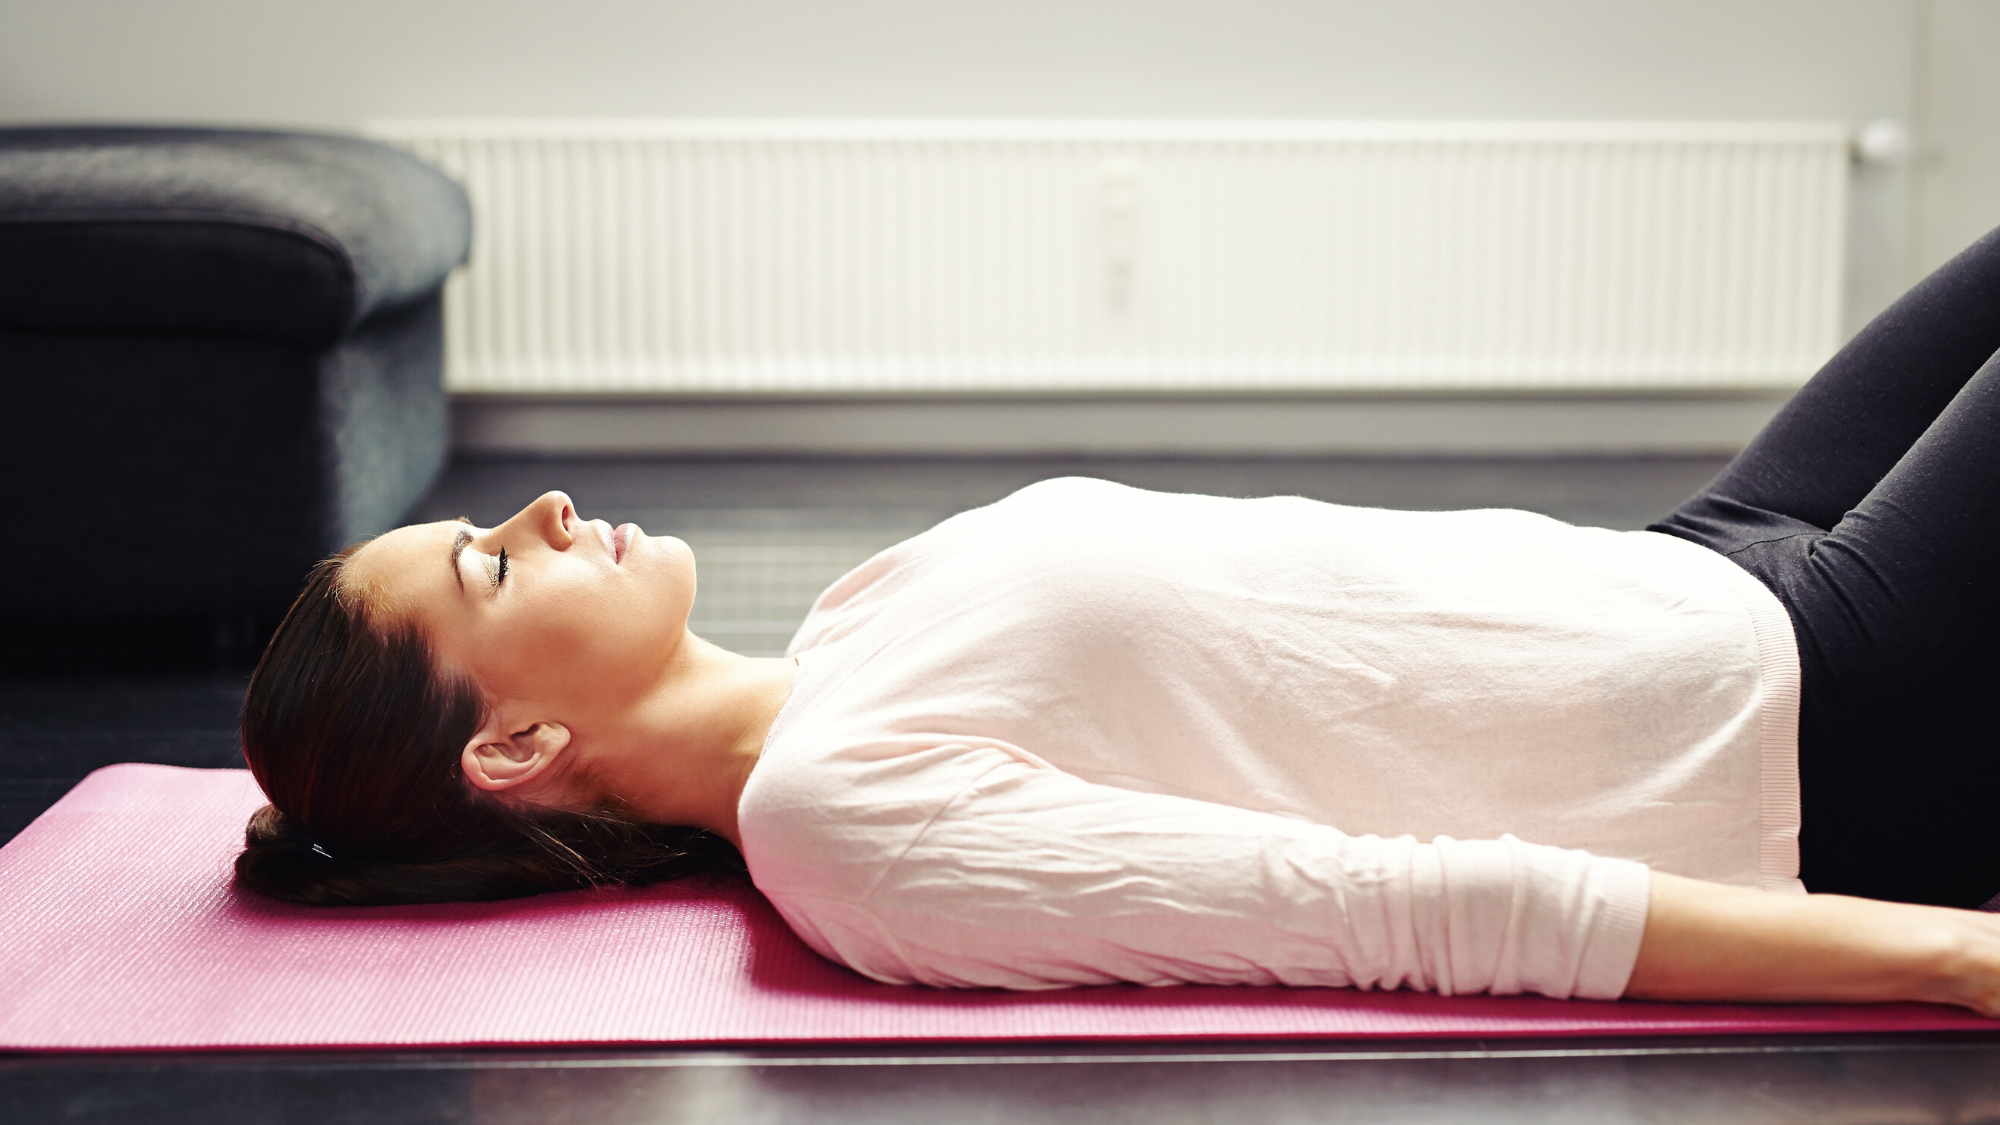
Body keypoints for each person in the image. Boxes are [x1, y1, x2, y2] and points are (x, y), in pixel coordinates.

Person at [235, 227, 2000, 1018]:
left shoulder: (853, 628)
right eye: (489, 563)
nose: (536, 509)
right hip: (1829, 715)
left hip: (1710, 569)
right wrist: (1949, 955)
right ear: (517, 746)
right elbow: (1401, 909)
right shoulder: (841, 821)